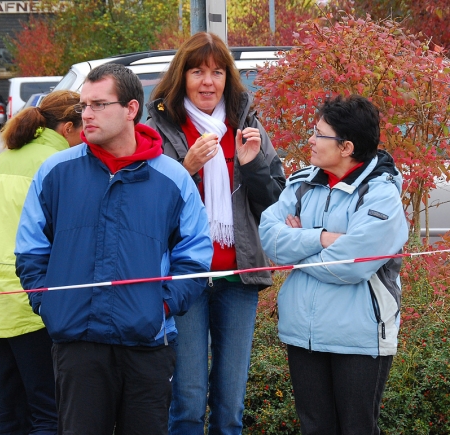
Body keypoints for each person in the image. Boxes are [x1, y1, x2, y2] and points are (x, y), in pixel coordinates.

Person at [15, 63, 213, 435]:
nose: (86, 115)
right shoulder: (54, 171)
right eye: (83, 106)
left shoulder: (172, 178)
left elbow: (195, 256)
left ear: (131, 110)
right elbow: (30, 250)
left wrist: (160, 306)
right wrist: (48, 302)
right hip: (77, 343)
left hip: (147, 343)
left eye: (98, 105)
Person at [145, 32, 285, 434]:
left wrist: (254, 165)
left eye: (217, 72)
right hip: (185, 279)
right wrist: (185, 169)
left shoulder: (247, 123)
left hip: (237, 278)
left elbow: (274, 203)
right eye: (197, 71)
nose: (208, 81)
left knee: (230, 405)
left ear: (228, 78)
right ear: (181, 76)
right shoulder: (159, 126)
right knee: (187, 400)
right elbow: (145, 207)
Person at [259, 95, 408, 434]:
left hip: (360, 337)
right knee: (315, 428)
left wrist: (296, 250)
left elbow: (351, 264)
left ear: (346, 147)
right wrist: (323, 238)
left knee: (357, 428)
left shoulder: (380, 194)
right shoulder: (301, 183)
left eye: (318, 133)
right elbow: (269, 237)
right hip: (302, 333)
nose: (309, 140)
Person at [0, 90, 83, 434]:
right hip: (36, 307)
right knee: (47, 412)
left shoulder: (0, 160)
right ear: (69, 128)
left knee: (2, 415)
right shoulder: (62, 165)